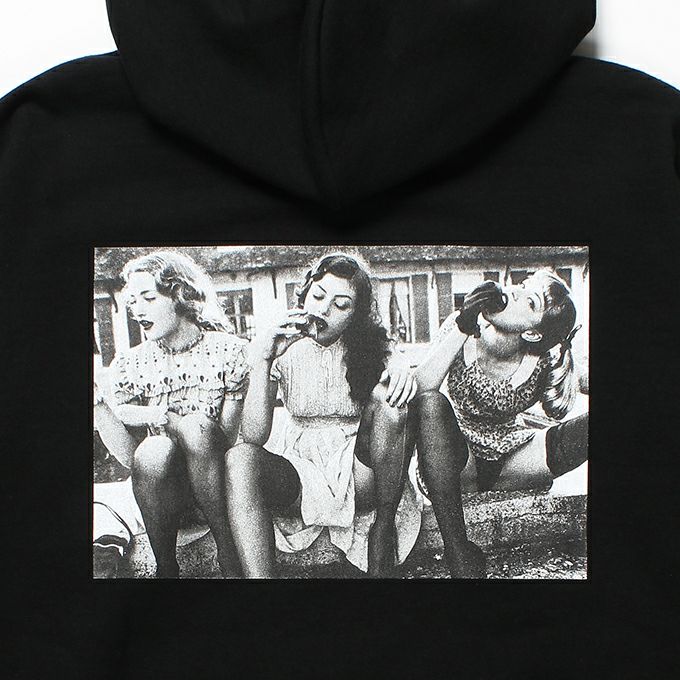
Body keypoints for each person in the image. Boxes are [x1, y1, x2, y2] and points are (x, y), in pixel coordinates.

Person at [224, 253, 422, 577]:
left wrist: (399, 366)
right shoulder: (281, 344)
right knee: (240, 459)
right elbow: (254, 437)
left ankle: (383, 531)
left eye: (341, 305)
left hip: (358, 470)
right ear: (305, 294)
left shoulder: (372, 346)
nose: (324, 310)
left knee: (389, 400)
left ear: (356, 315)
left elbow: (397, 393)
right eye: (318, 296)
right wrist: (263, 360)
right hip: (301, 469)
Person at [411, 270, 588, 578]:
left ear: (532, 334)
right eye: (522, 285)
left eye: (530, 301)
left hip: (512, 458)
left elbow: (573, 387)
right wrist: (463, 326)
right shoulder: (462, 326)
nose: (516, 291)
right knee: (430, 404)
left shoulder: (543, 361)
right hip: (455, 460)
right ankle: (458, 553)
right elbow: (418, 390)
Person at [93, 250, 249, 577]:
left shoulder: (229, 352)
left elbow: (229, 440)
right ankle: (167, 568)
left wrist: (173, 422)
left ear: (179, 295)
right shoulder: (131, 364)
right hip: (161, 499)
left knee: (195, 427)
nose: (137, 309)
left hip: (217, 488)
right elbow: (132, 458)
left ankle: (227, 549)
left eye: (148, 298)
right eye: (132, 301)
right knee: (153, 448)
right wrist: (99, 405)